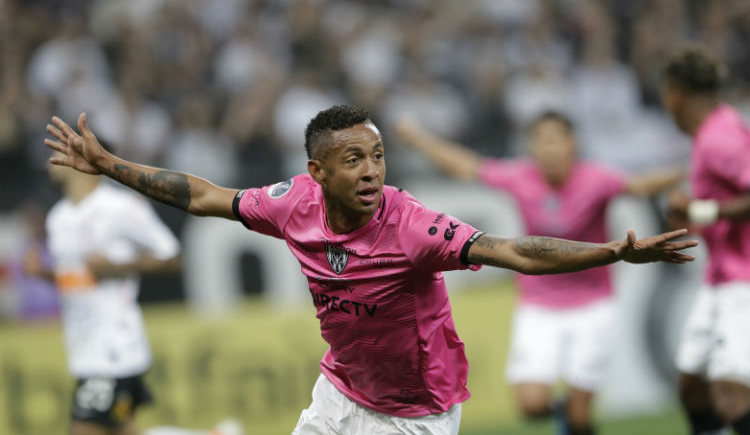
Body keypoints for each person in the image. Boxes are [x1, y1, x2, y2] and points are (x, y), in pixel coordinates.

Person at [44, 105, 696, 435]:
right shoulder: (292, 205)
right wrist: (110, 165)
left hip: (418, 407)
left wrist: (613, 252)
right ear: (317, 173)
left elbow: (515, 250)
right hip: (344, 390)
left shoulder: (413, 227)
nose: (372, 171)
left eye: (378, 156)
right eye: (354, 159)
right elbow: (205, 196)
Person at [394, 111, 684, 435]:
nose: (550, 149)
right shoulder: (520, 177)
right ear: (532, 147)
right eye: (542, 141)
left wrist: (687, 169)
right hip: (539, 306)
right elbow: (466, 166)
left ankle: (574, 418)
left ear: (572, 144)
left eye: (556, 140)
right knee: (530, 404)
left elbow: (640, 185)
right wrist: (419, 138)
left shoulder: (595, 179)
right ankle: (562, 411)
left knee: (580, 416)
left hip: (593, 304)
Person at [24, 151, 242, 435]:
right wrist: (43, 274)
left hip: (114, 347)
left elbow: (172, 257)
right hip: (82, 347)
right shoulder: (59, 218)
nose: (48, 159)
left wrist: (117, 267)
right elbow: (78, 280)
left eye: (58, 151)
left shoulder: (120, 207)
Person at [661, 46, 750, 435]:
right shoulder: (715, 129)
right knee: (693, 387)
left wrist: (700, 212)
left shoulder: (720, 138)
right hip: (722, 278)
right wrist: (694, 214)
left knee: (731, 395)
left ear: (675, 94)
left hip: (743, 280)